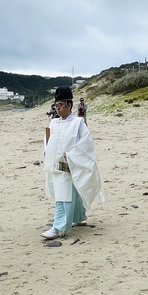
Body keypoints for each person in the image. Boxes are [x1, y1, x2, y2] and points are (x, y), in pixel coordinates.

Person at [42, 86, 103, 239]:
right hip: (56, 164)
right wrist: (48, 152)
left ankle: (58, 227)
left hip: (71, 162)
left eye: (61, 104)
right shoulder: (54, 123)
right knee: (66, 192)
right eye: (56, 105)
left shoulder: (78, 123)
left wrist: (71, 155)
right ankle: (78, 217)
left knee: (66, 195)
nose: (58, 107)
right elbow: (48, 141)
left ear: (69, 105)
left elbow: (86, 143)